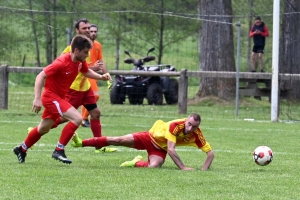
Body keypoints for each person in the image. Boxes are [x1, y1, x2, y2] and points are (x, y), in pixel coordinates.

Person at [13, 35, 112, 164]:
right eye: (85, 52)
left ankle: (22, 148)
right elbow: (40, 76)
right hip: (50, 97)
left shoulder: (80, 62)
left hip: (59, 97)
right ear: (76, 50)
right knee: (77, 118)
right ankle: (59, 150)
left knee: (44, 128)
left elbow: (86, 72)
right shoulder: (61, 62)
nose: (88, 55)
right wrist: (37, 99)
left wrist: (101, 77)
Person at [49, 19, 117, 153]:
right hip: (74, 89)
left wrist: (103, 75)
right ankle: (38, 129)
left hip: (85, 88)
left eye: (88, 27)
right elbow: (67, 67)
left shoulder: (91, 46)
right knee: (64, 118)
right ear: (77, 30)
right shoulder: (70, 49)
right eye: (84, 28)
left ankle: (99, 145)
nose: (87, 30)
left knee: (96, 113)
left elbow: (86, 67)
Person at [72, 113, 215, 170]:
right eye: (189, 124)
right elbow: (171, 150)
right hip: (149, 137)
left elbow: (210, 154)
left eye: (194, 126)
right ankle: (81, 143)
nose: (190, 128)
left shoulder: (197, 134)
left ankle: (135, 162)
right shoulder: (175, 125)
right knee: (117, 140)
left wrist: (203, 170)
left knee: (154, 166)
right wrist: (183, 167)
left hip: (159, 149)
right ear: (186, 120)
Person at [81, 24, 106, 127]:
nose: (93, 33)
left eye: (95, 31)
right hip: (86, 75)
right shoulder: (83, 45)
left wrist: (106, 74)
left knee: (89, 97)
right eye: (91, 31)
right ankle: (83, 118)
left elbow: (101, 61)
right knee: (95, 95)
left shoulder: (98, 45)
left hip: (93, 75)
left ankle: (84, 119)